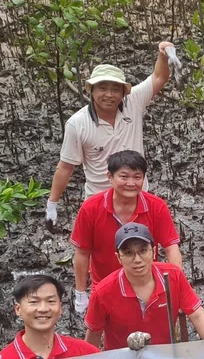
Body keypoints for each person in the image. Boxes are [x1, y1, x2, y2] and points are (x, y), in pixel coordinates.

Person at [45, 41, 180, 230]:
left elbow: (159, 77)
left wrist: (163, 54)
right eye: (102, 88)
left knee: (142, 246)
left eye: (116, 89)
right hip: (100, 202)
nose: (109, 95)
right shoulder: (77, 124)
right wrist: (52, 204)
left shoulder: (133, 102)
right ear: (91, 90)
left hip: (137, 196)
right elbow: (66, 166)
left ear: (124, 93)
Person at [70, 150, 182, 316]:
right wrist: (81, 293)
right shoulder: (90, 208)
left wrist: (177, 285)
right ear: (110, 177)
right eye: (124, 177)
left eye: (137, 177)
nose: (131, 183)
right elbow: (82, 253)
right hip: (105, 287)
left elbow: (171, 247)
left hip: (147, 285)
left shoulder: (156, 206)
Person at [84, 223, 204, 350]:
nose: (137, 259)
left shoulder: (174, 276)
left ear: (153, 252)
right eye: (129, 253)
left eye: (143, 251)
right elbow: (94, 335)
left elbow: (198, 315)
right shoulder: (102, 293)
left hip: (165, 356)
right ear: (119, 257)